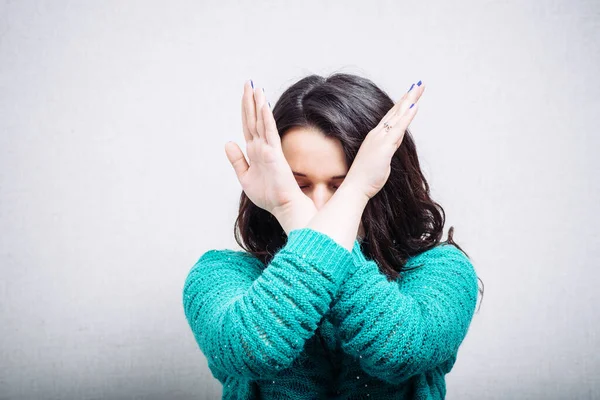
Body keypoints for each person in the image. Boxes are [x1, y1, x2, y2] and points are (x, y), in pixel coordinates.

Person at [182, 73, 484, 399]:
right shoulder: (221, 275)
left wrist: (344, 199)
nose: (320, 205)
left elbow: (398, 350)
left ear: (385, 185)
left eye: (341, 187)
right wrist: (293, 210)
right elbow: (254, 348)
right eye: (299, 187)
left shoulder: (441, 271)